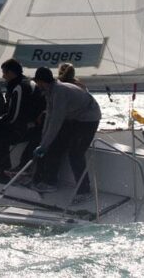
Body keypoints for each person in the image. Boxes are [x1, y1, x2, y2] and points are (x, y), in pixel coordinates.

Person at [30, 66, 101, 198]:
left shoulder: (59, 92)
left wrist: (44, 144)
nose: (36, 84)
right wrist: (43, 141)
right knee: (55, 145)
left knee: (76, 153)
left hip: (89, 118)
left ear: (41, 81)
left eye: (37, 81)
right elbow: (49, 117)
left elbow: (56, 121)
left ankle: (84, 190)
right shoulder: (49, 91)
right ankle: (50, 182)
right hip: (75, 117)